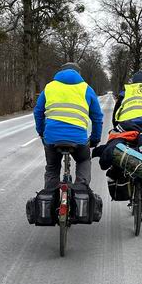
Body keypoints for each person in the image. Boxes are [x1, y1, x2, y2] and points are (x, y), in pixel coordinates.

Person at [34, 63, 103, 191]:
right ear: (79, 74)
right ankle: (81, 190)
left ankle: (49, 198)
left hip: (52, 137)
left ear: (61, 71)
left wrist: (42, 132)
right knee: (83, 161)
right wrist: (95, 139)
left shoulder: (49, 87)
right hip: (78, 138)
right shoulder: (86, 88)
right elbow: (97, 117)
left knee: (52, 167)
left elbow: (38, 112)